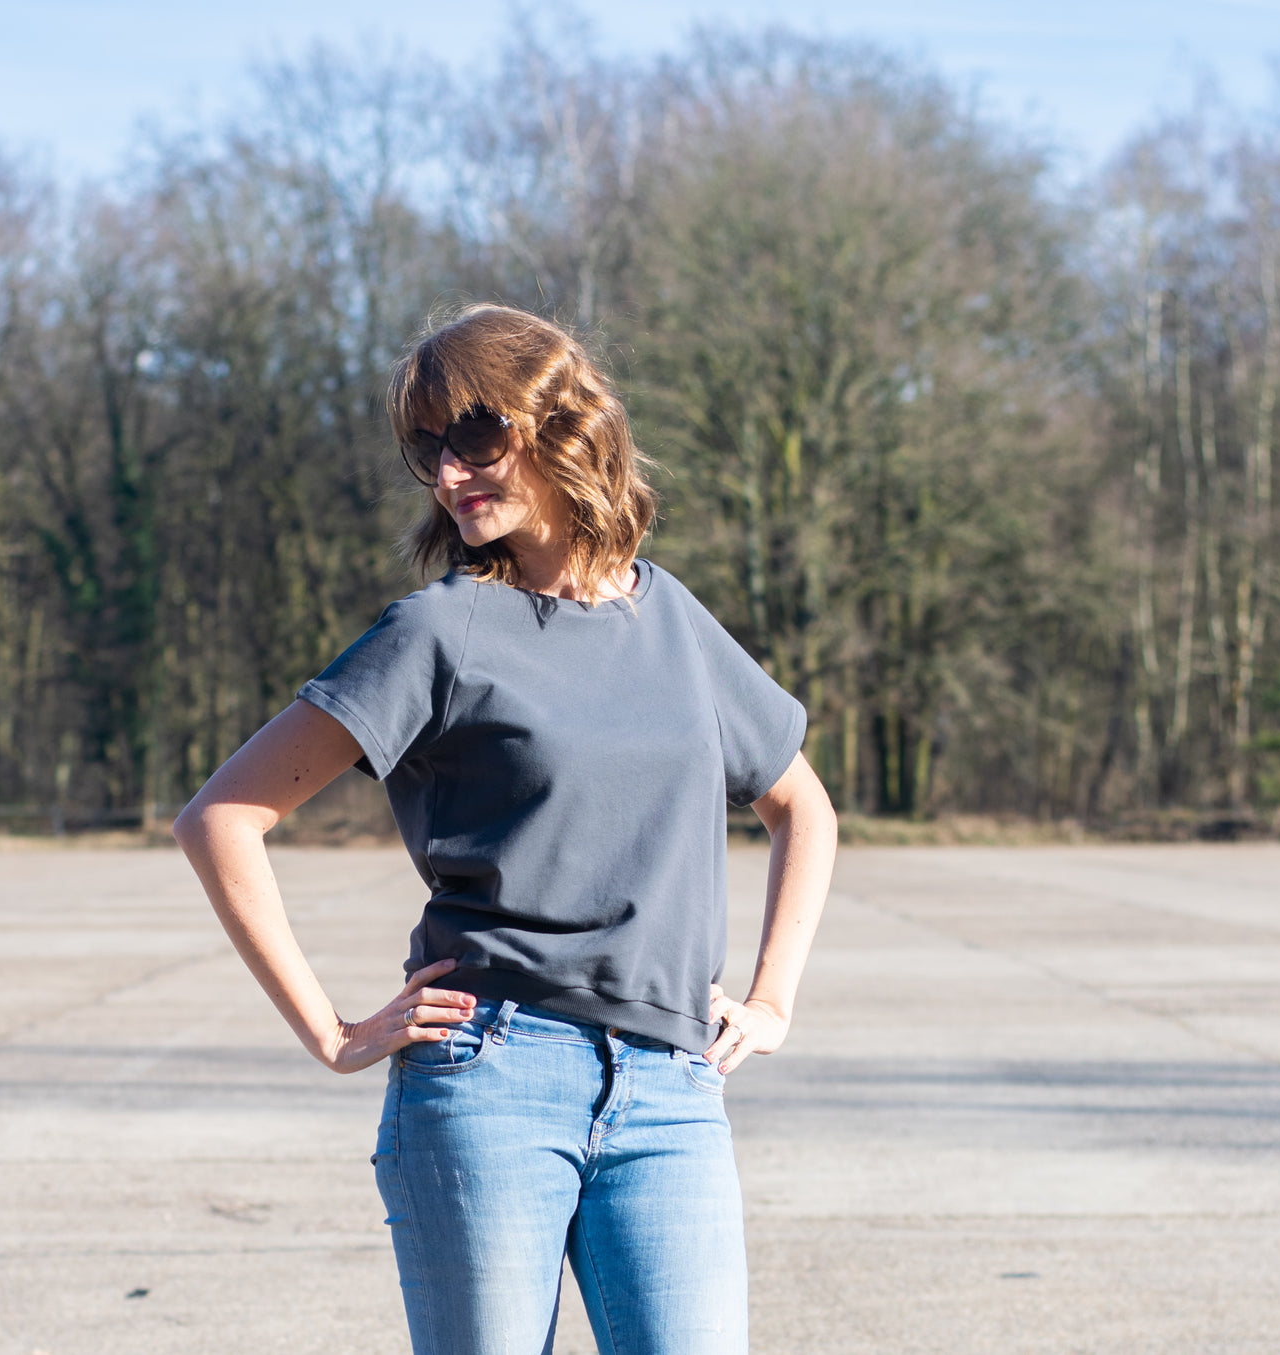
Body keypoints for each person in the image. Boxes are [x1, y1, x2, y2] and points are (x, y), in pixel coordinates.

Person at [173, 303, 838, 1355]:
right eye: (426, 447)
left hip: (671, 1086)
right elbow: (220, 816)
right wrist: (333, 1034)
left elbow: (801, 804)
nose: (448, 471)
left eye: (475, 436)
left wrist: (771, 997)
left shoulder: (671, 619)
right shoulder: (436, 631)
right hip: (489, 1077)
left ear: (563, 423)